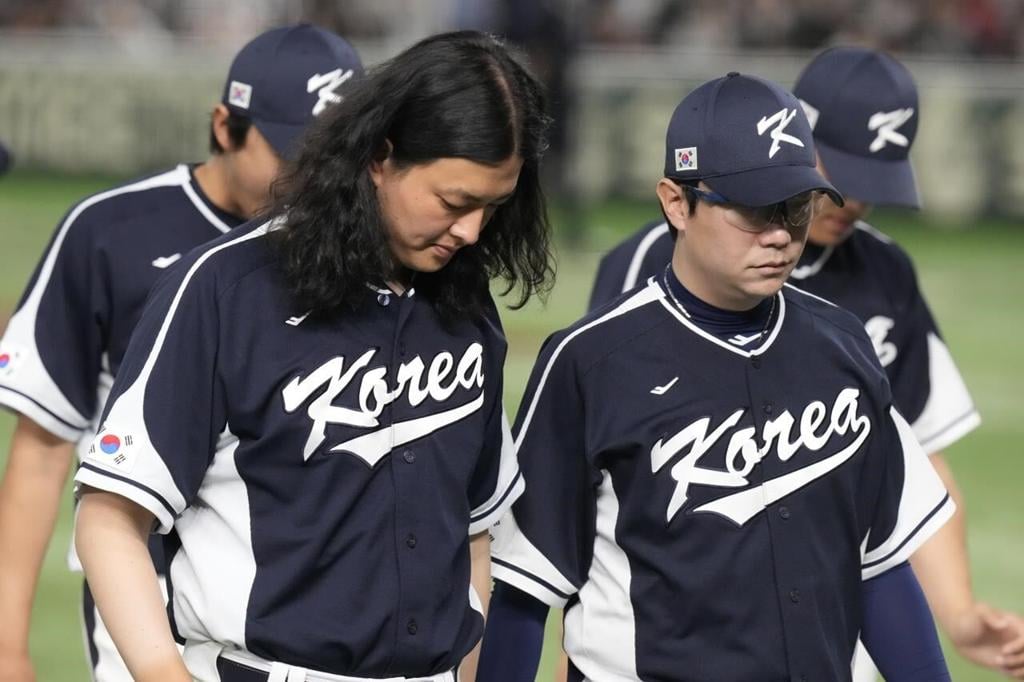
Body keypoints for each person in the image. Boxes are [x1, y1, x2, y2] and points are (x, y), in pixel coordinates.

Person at [71, 30, 553, 682]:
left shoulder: (466, 304)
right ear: (380, 156)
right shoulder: (226, 287)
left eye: (492, 208)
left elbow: (471, 538)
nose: (471, 231)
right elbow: (108, 520)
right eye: (455, 201)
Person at [481, 72, 954, 681]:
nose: (782, 234)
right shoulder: (589, 362)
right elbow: (525, 589)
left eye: (797, 206)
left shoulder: (843, 345)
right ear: (677, 202)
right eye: (756, 209)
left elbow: (881, 565)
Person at [585, 46, 1024, 680]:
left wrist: (957, 615)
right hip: (676, 636)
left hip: (830, 633)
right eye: (840, 174)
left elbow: (915, 457)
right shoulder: (654, 262)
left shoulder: (884, 272)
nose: (854, 202)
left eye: (875, 185)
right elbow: (588, 483)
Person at [0, 23, 363, 682]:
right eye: (292, 157)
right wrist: (5, 647)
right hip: (146, 587)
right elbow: (42, 447)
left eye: (333, 161)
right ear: (224, 126)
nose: (312, 183)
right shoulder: (111, 232)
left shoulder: (373, 252)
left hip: (308, 617)